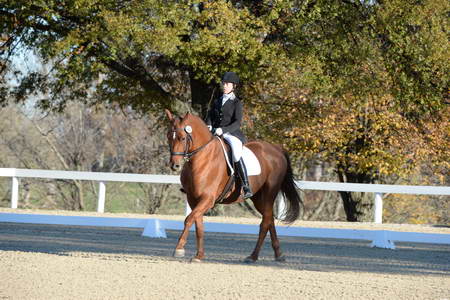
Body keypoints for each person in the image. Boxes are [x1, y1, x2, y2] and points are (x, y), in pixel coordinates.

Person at [206, 71, 253, 199]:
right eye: (224, 83)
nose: (225, 86)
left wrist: (223, 130)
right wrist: (209, 125)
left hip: (232, 134)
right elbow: (210, 115)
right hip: (216, 133)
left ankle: (246, 185)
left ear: (234, 86)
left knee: (236, 153)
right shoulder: (217, 101)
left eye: (227, 84)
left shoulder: (236, 103)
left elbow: (237, 122)